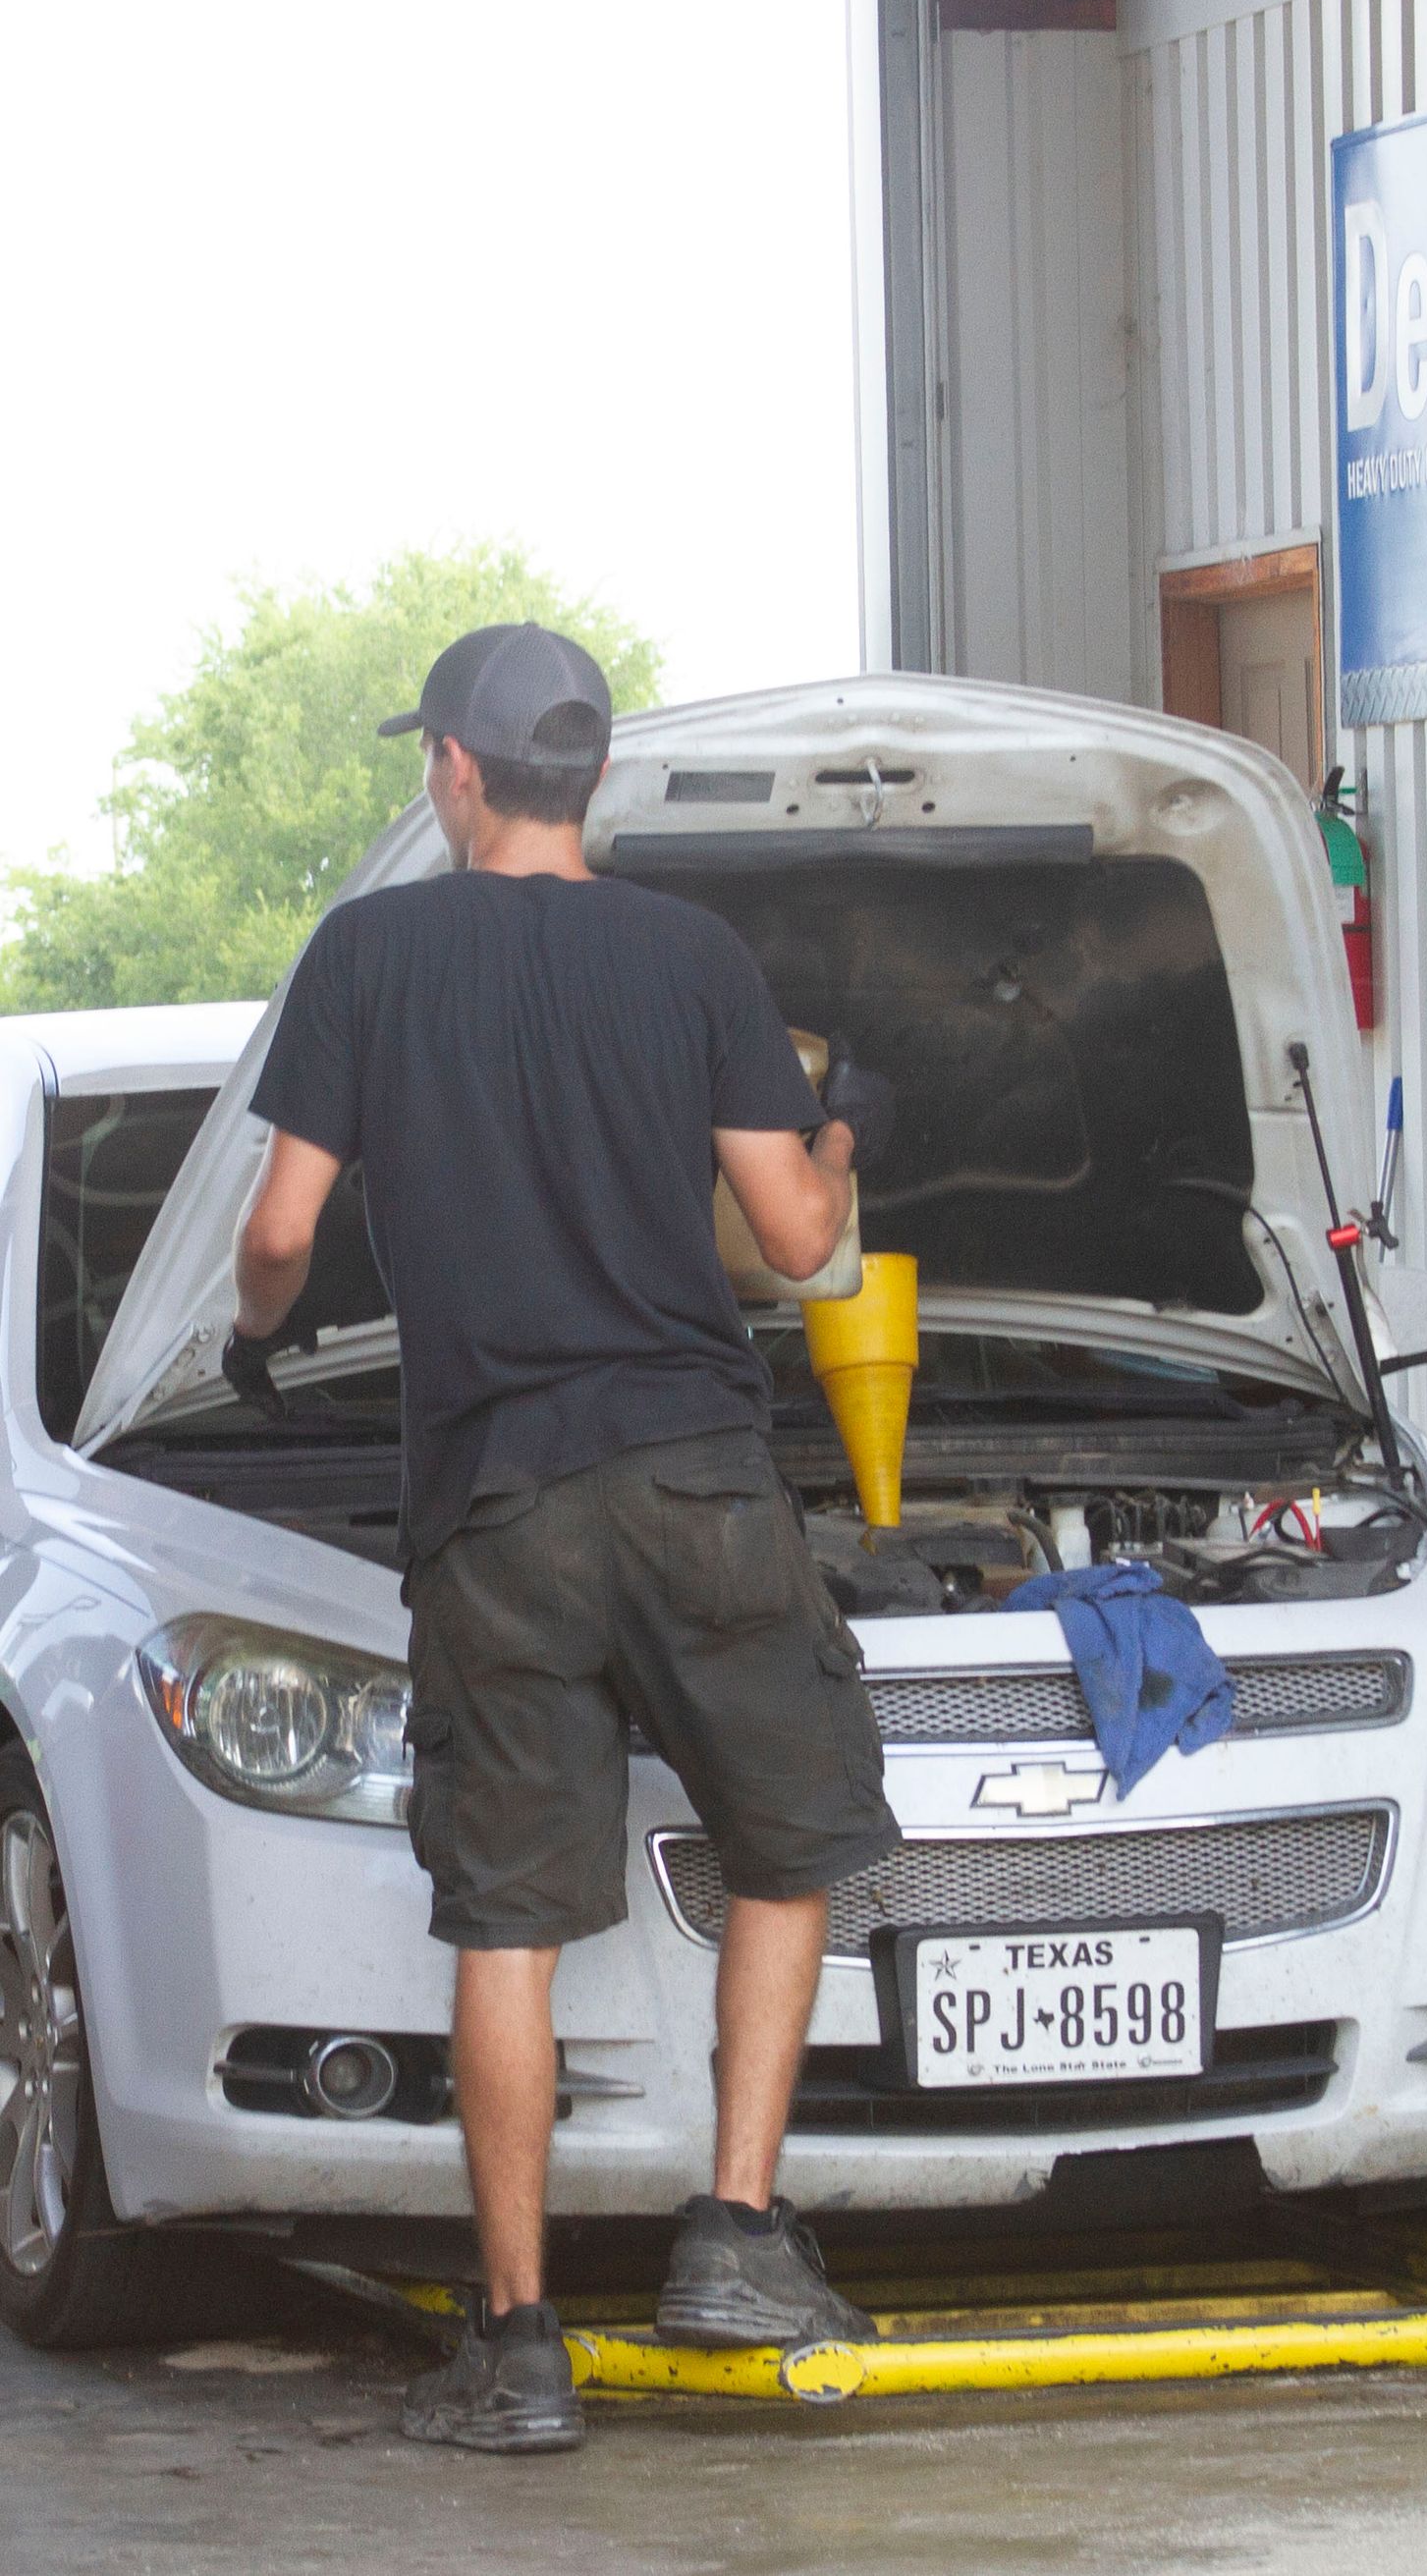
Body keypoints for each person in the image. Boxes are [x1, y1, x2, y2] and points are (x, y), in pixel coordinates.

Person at [225, 623, 902, 2454]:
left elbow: (282, 1230)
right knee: (789, 1834)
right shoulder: (692, 958)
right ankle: (739, 2233)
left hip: (496, 1502)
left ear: (456, 767)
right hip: (692, 1470)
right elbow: (789, 1239)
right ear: (585, 775)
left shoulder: (368, 954)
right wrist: (842, 1138)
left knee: (507, 1921)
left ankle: (522, 2352)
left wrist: (255, 1334)